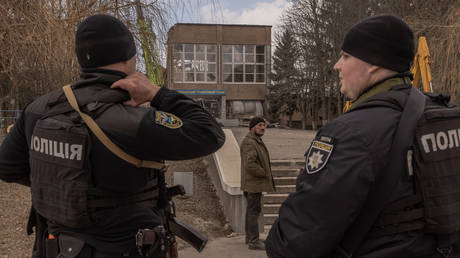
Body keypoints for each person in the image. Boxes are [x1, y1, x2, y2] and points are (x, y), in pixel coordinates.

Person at [0, 14, 225, 257]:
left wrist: (67, 186)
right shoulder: (134, 122)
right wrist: (157, 93)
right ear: (129, 58)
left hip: (55, 248)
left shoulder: (37, 110)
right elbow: (210, 133)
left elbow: (7, 167)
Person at [266, 14, 460, 258]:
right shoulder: (447, 118)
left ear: (373, 63)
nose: (337, 65)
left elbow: (294, 243)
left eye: (346, 56)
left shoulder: (350, 132)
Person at [240, 117, 275, 250]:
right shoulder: (250, 142)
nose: (263, 127)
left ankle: (250, 238)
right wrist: (264, 173)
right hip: (253, 183)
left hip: (253, 183)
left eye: (264, 125)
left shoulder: (256, 141)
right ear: (252, 127)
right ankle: (254, 241)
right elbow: (250, 164)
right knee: (254, 211)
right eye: (260, 125)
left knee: (252, 211)